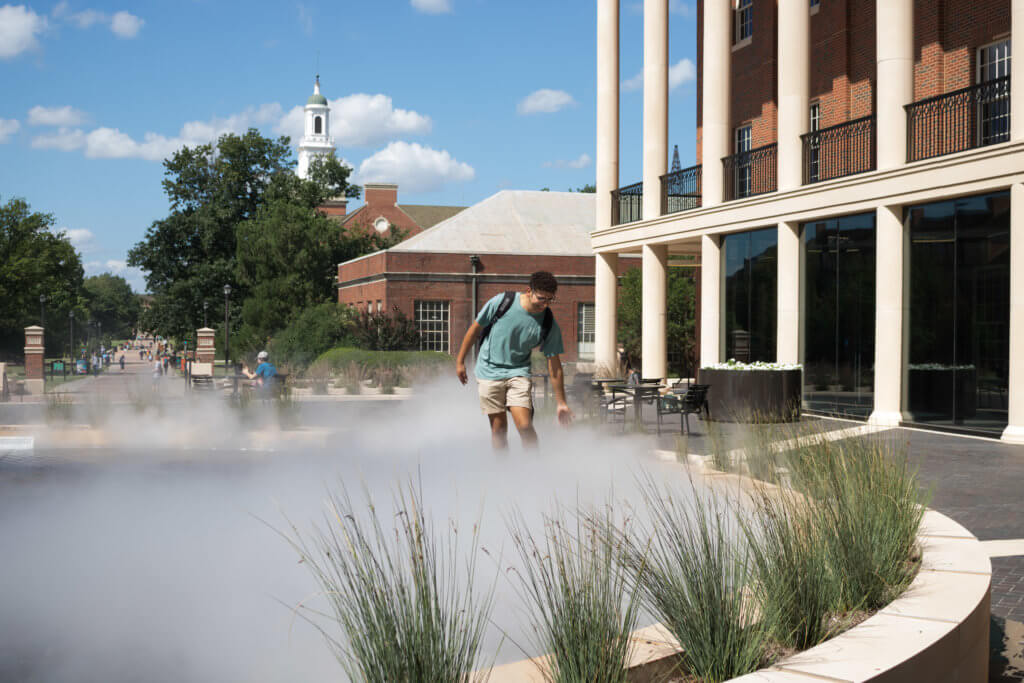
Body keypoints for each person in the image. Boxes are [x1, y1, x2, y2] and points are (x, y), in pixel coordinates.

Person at [455, 271, 572, 450]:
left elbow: (554, 365)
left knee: (525, 426)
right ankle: (503, 472)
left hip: (518, 373)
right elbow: (475, 329)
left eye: (550, 300)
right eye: (541, 298)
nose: (545, 304)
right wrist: (460, 361)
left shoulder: (548, 322)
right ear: (528, 291)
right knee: (498, 429)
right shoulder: (503, 302)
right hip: (488, 371)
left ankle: (533, 468)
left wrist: (561, 402)